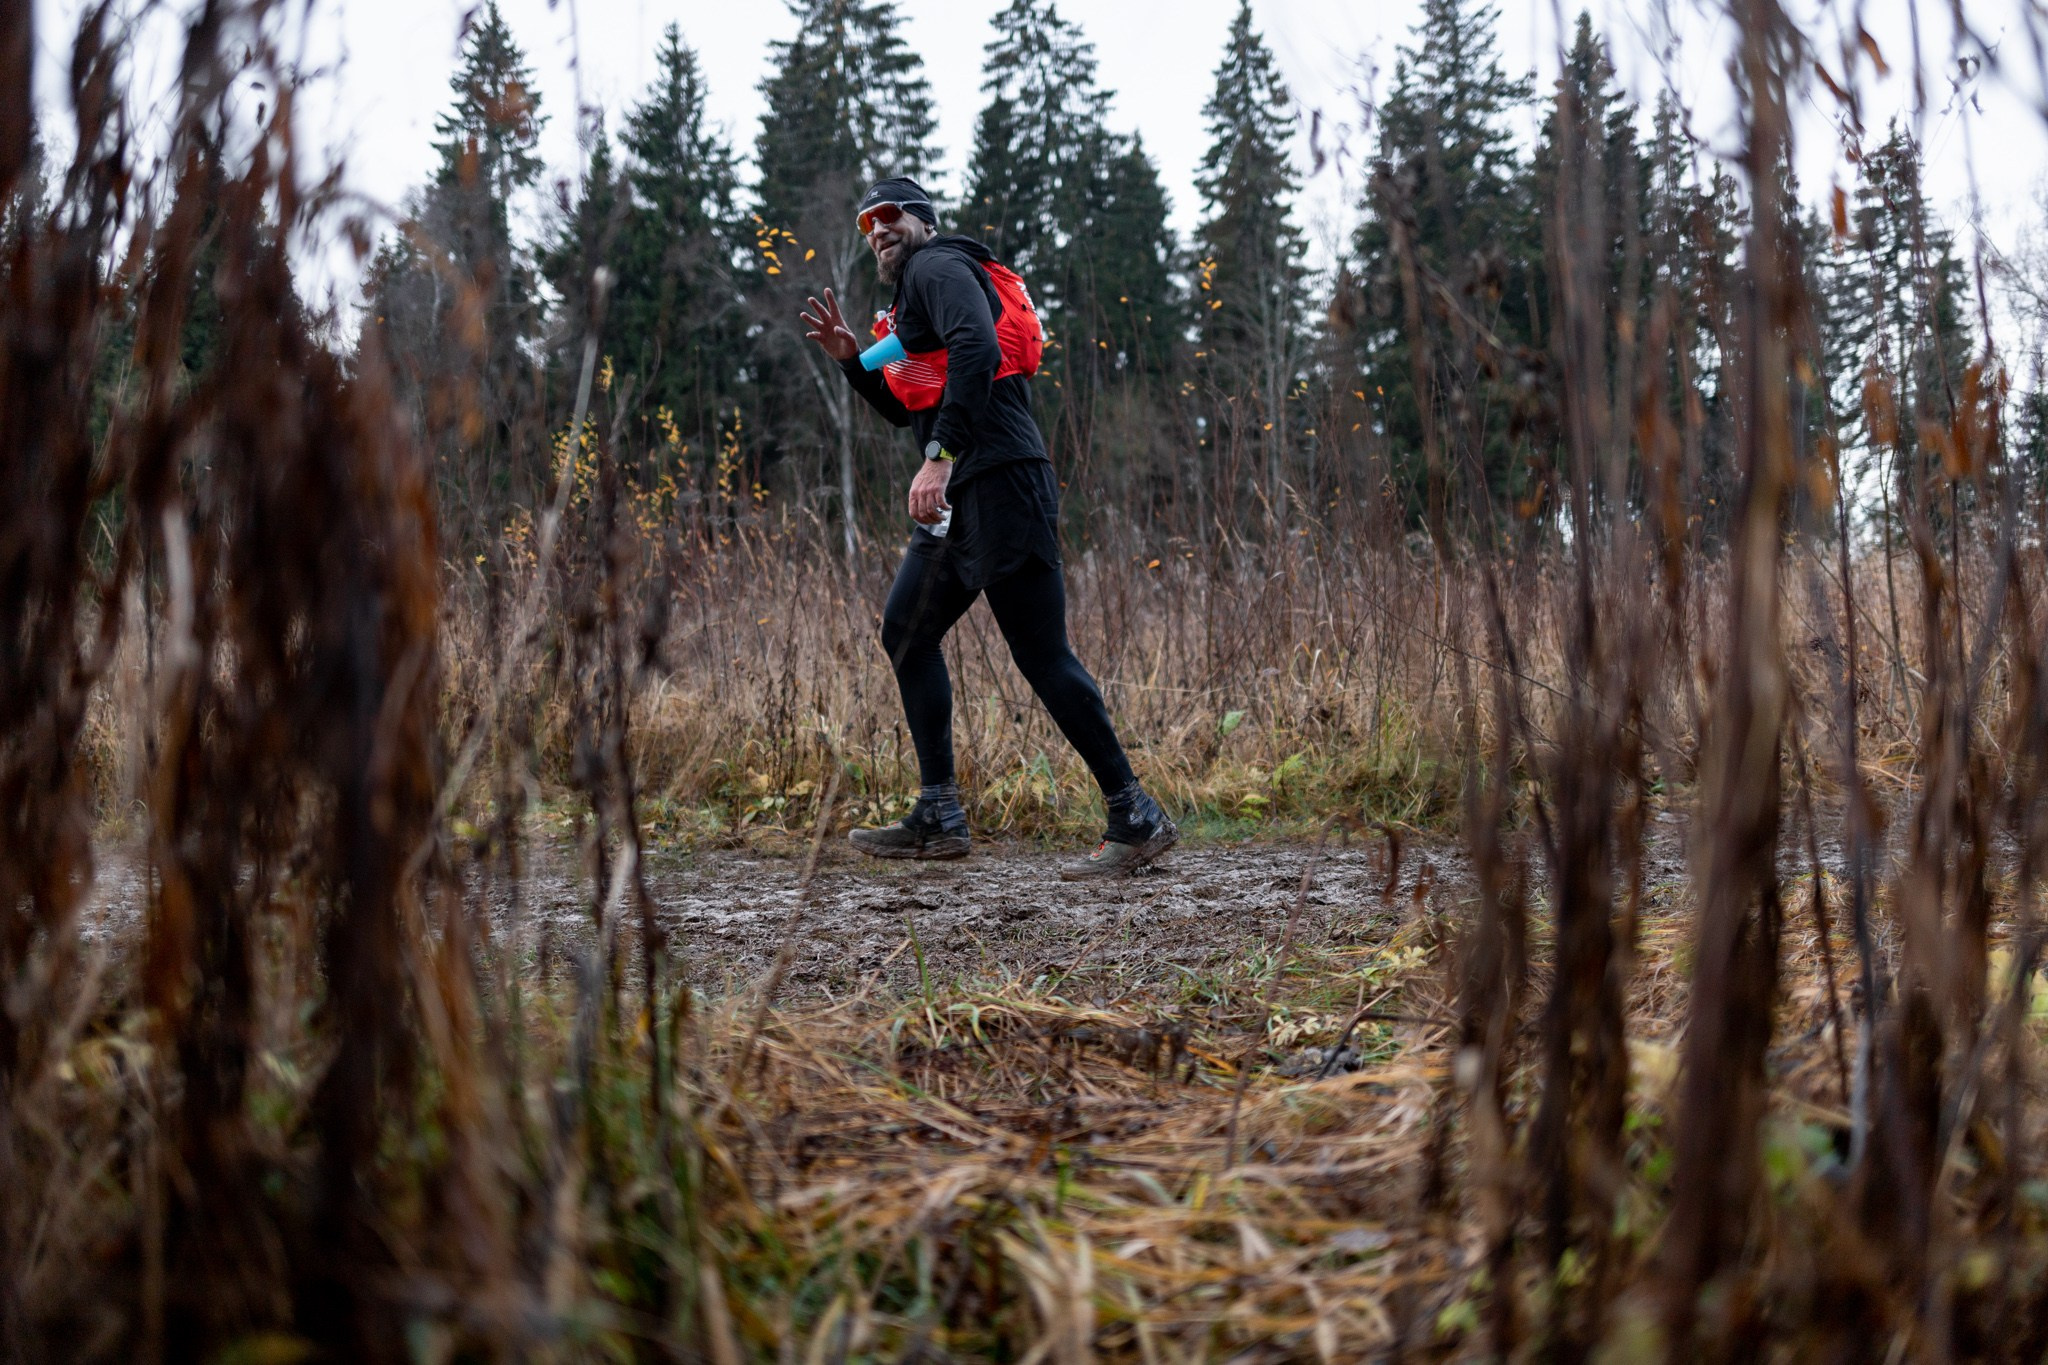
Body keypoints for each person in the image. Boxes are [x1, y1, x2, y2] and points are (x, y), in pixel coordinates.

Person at [799, 175, 1176, 879]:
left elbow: (977, 348)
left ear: (924, 222)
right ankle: (939, 813)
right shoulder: (910, 301)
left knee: (1041, 652)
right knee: (907, 629)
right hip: (961, 497)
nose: (878, 229)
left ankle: (1136, 812)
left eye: (891, 215)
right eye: (867, 223)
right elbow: (900, 409)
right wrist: (853, 362)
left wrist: (939, 458)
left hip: (999, 479)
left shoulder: (938, 267)